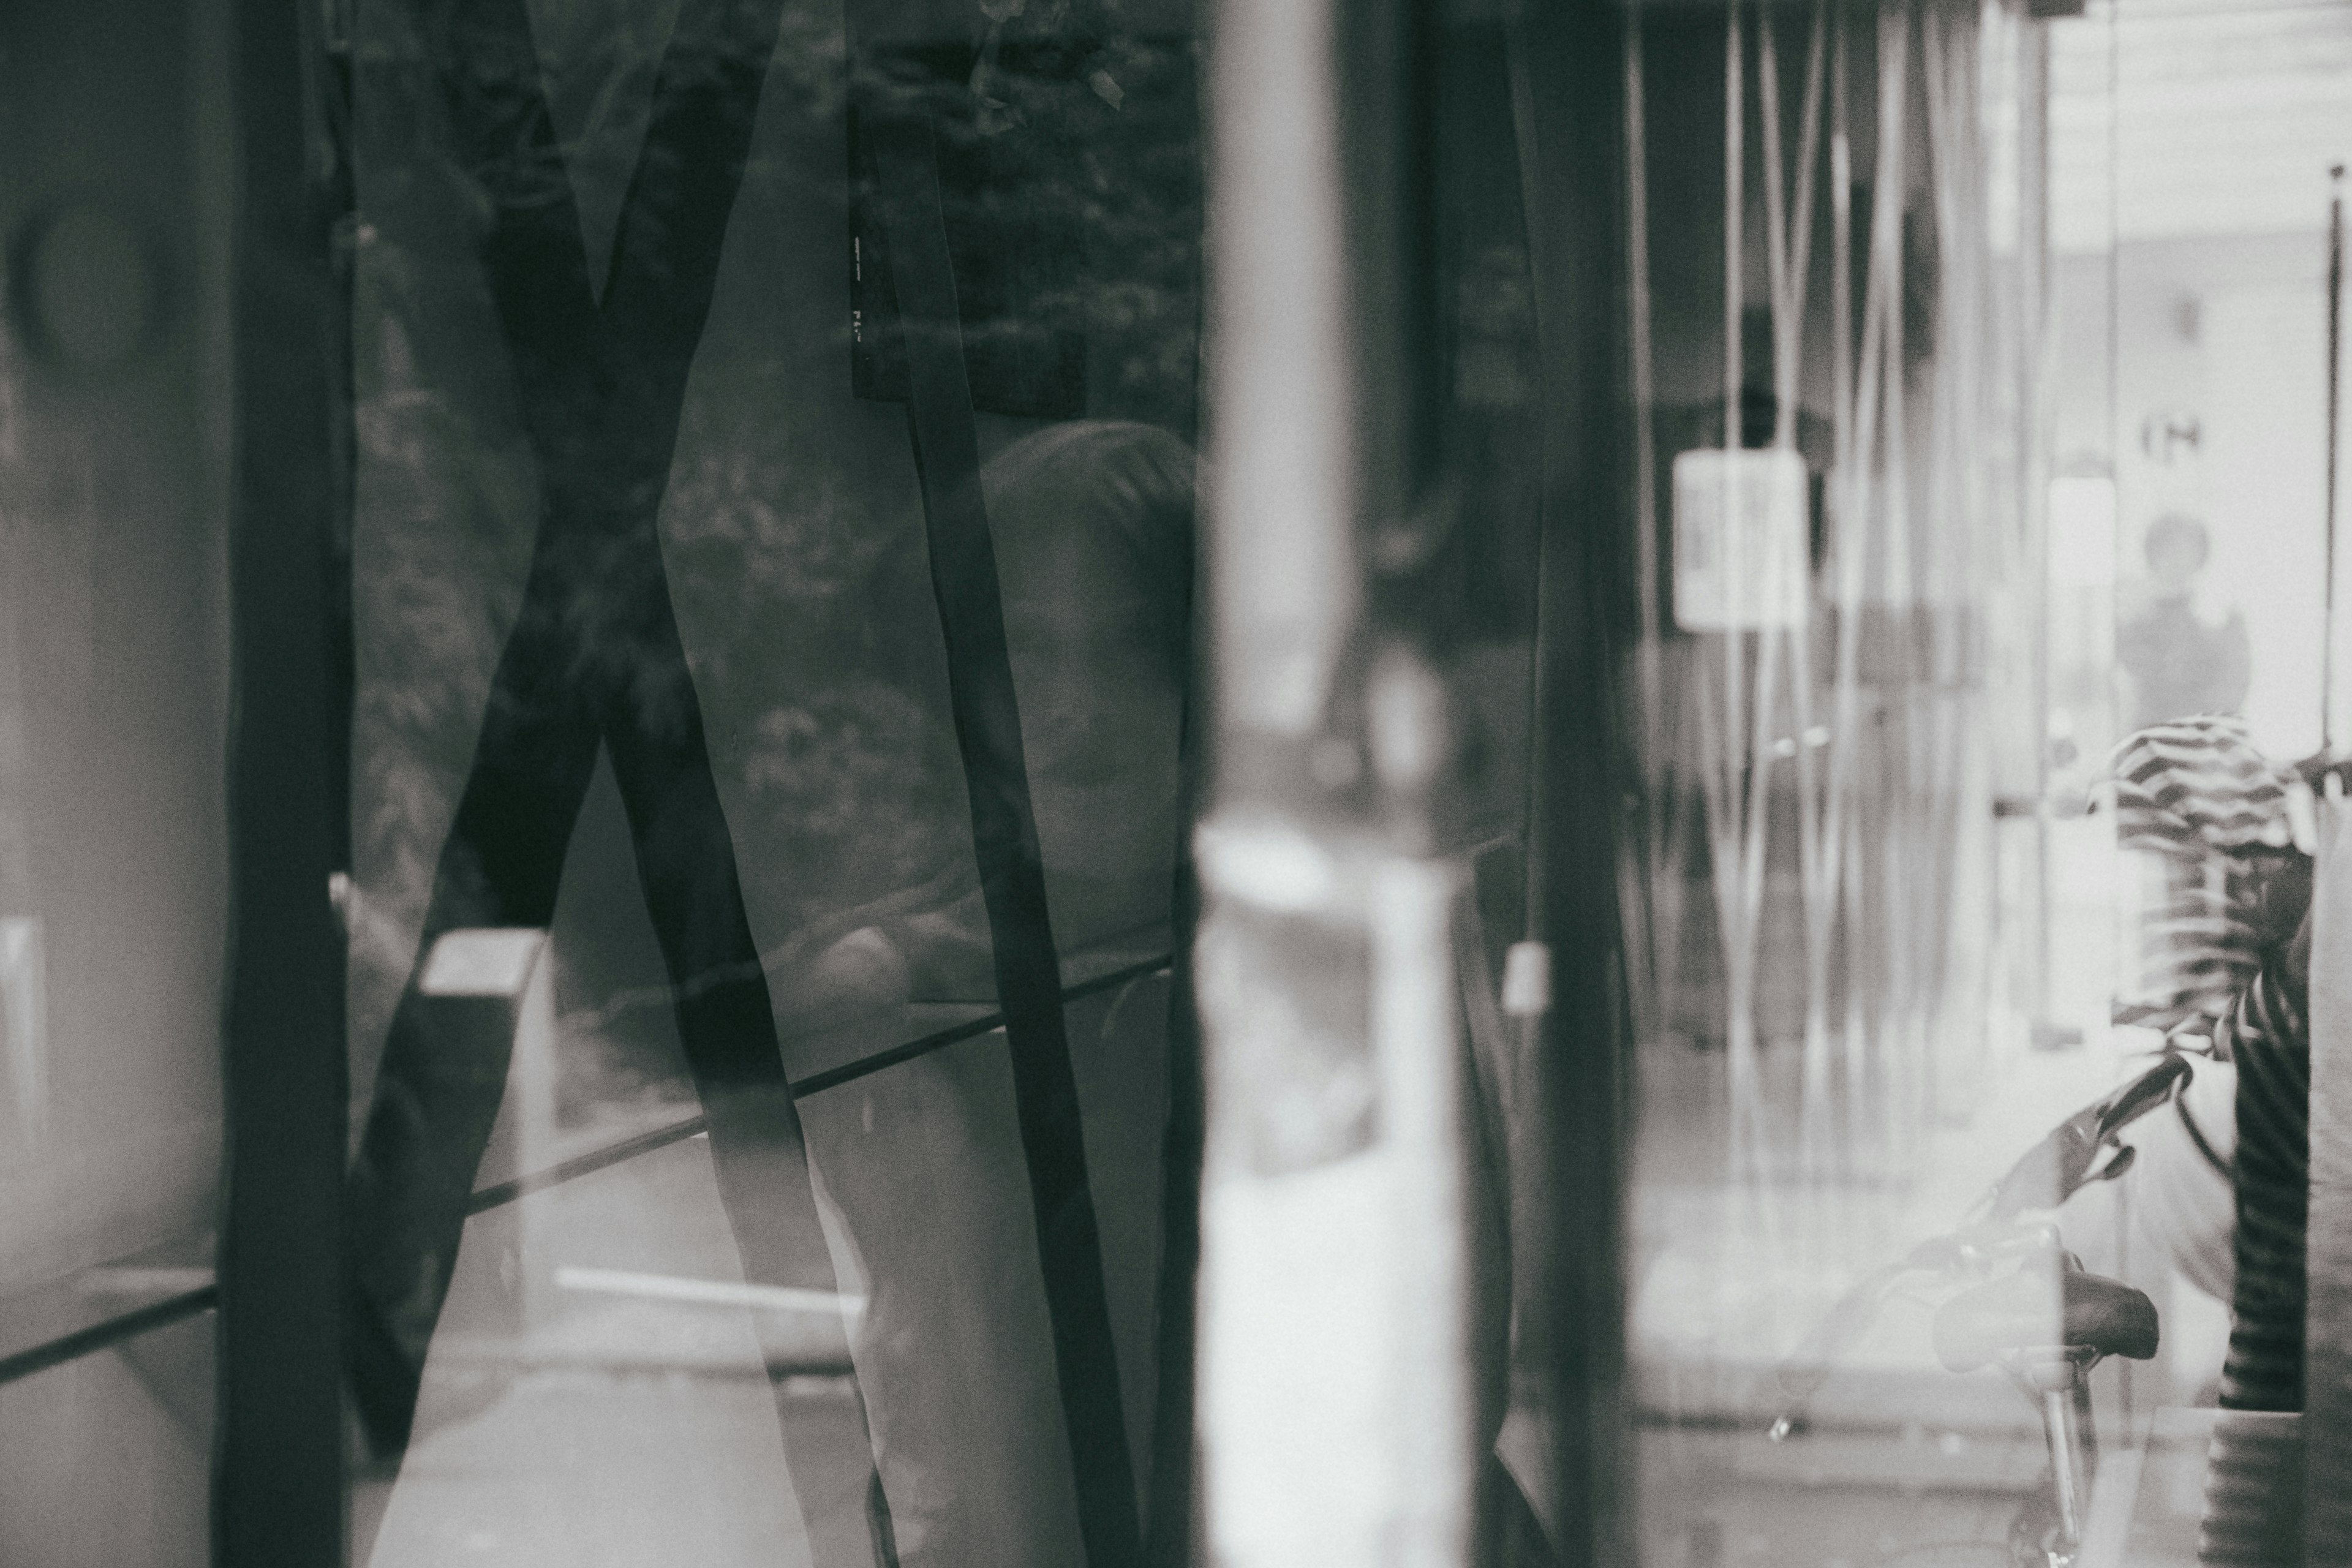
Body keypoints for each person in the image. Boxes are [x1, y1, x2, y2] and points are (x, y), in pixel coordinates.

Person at [2117, 514, 2252, 730]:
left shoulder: (2225, 621)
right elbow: (2137, 686)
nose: (2177, 559)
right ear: (2153, 556)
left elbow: (2234, 687)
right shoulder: (2135, 624)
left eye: (2186, 549)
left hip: (2210, 741)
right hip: (2150, 740)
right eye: (2167, 550)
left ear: (2200, 556)